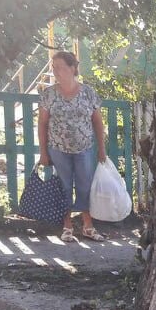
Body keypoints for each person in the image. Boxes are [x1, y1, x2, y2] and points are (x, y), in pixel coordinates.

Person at [37, 50, 108, 243]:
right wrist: (43, 152)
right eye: (54, 68)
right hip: (58, 149)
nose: (56, 72)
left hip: (84, 148)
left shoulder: (88, 93)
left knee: (85, 186)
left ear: (72, 68)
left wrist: (101, 149)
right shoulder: (49, 94)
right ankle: (67, 226)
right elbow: (42, 124)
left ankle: (88, 225)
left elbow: (98, 122)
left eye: (60, 67)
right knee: (64, 187)